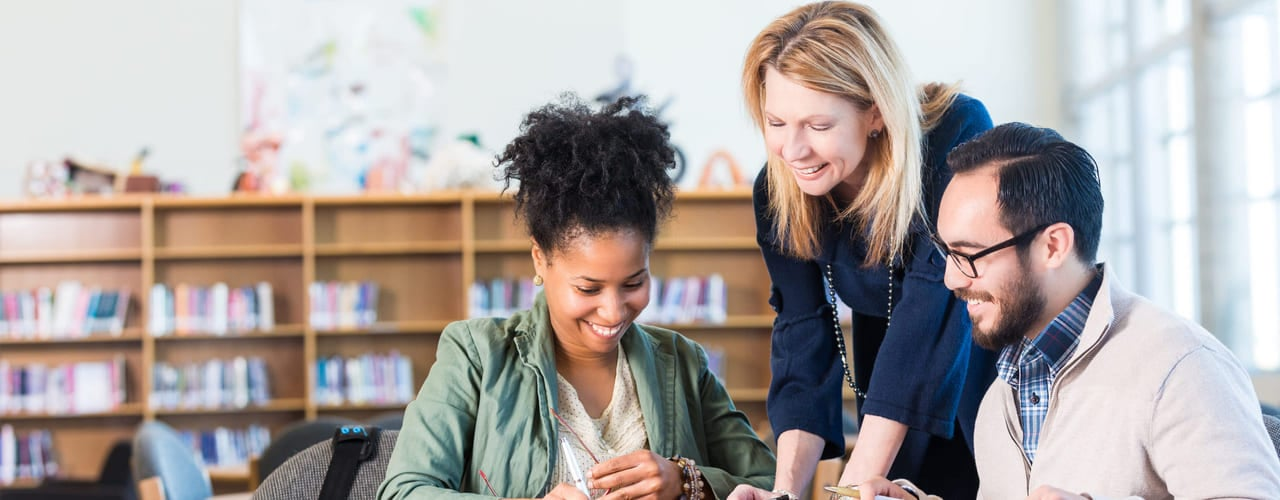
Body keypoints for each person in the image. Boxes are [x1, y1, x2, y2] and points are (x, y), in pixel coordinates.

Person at [378, 95, 776, 500]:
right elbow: (404, 491)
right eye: (588, 288)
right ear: (540, 258)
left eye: (634, 283)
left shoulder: (682, 363)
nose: (613, 310)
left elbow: (773, 485)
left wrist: (686, 481)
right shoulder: (476, 356)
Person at [859, 122, 1280, 499]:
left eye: (969, 255)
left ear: (1053, 246)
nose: (951, 279)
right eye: (945, 253)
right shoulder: (999, 396)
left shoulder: (1181, 368)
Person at [729, 2, 996, 499]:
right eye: (776, 122)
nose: (793, 150)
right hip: (888, 370)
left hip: (982, 358)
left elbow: (932, 310)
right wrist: (785, 491)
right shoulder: (778, 189)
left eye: (818, 125)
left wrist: (849, 489)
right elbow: (802, 336)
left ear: (875, 111)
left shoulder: (954, 135)